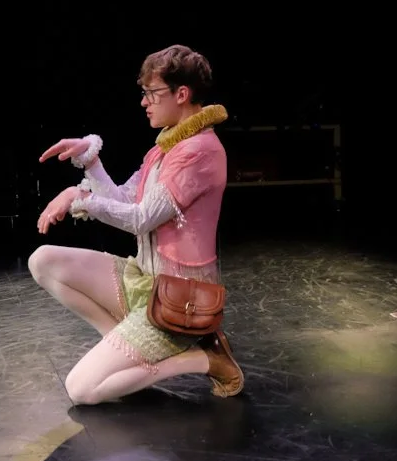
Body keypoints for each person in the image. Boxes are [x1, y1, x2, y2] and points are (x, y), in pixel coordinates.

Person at [28, 44, 244, 405]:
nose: (145, 102)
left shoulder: (200, 152)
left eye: (152, 93)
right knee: (43, 261)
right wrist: (90, 161)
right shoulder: (164, 148)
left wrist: (78, 198)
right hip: (145, 282)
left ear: (181, 94)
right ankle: (128, 350)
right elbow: (125, 199)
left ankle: (206, 359)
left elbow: (141, 219)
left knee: (81, 389)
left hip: (179, 301)